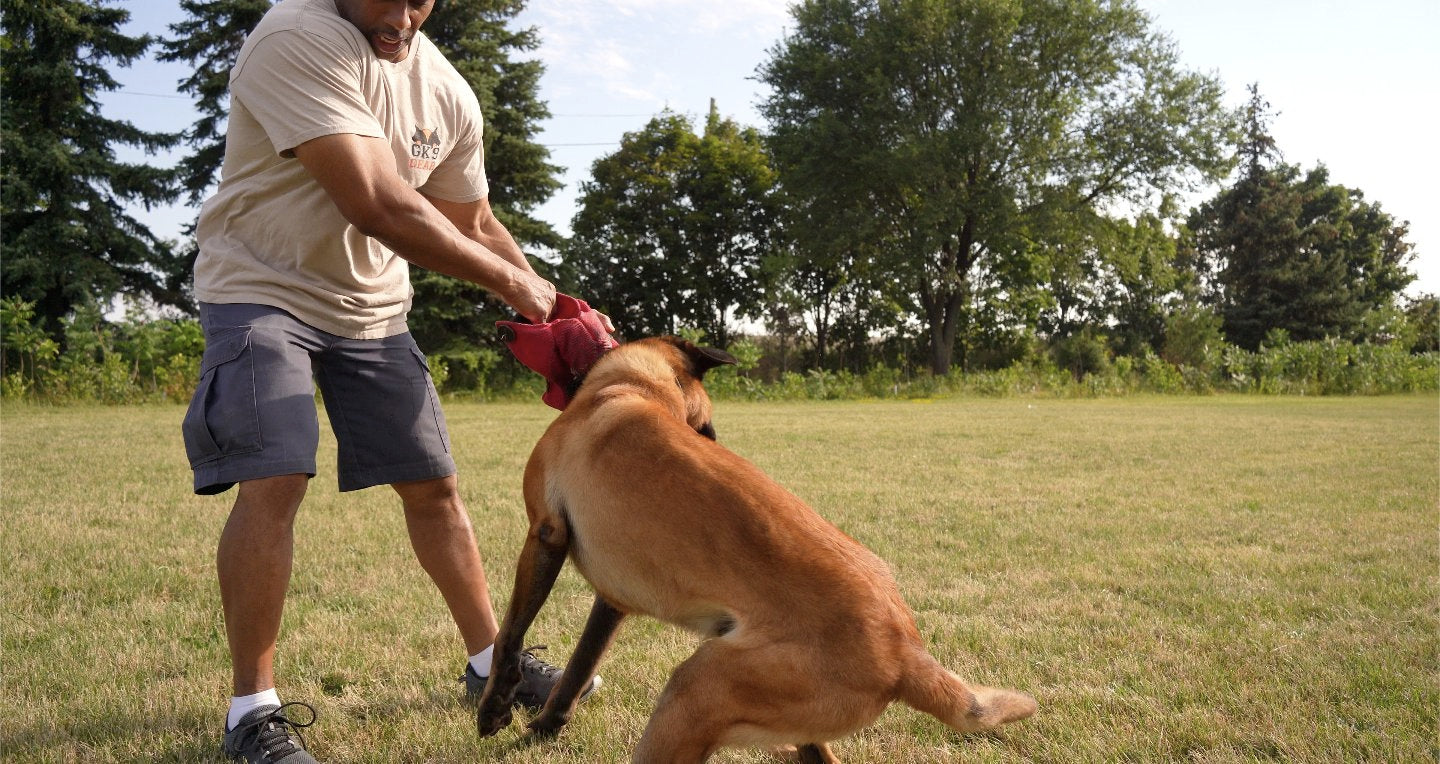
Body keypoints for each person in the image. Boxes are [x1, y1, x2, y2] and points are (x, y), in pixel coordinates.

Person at [180, 1, 605, 761]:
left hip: (372, 309)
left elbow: (472, 222)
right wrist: (519, 289)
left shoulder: (446, 91)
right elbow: (374, 202)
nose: (402, 15)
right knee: (275, 474)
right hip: (260, 287)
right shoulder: (297, 36)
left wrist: (553, 299)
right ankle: (251, 711)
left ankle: (490, 663)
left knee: (433, 485)